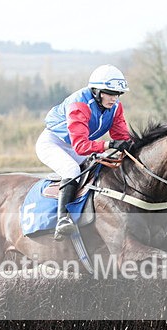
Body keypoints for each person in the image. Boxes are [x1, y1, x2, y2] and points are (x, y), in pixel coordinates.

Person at [36, 64, 133, 240]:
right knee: (72, 170)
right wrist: (108, 145)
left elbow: (122, 137)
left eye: (117, 94)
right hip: (53, 143)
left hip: (77, 145)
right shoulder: (79, 104)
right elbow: (81, 146)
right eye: (109, 93)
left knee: (101, 167)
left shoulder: (116, 107)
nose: (114, 99)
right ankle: (62, 220)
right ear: (96, 91)